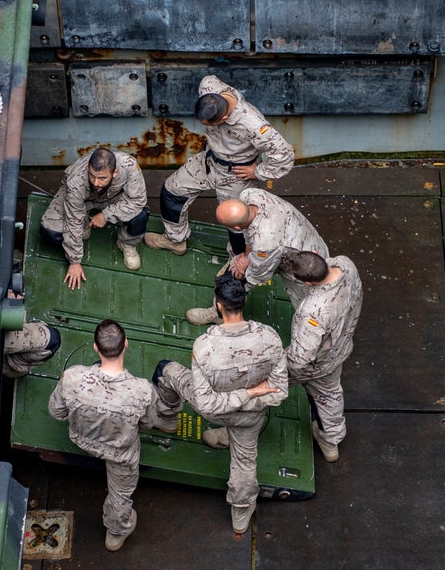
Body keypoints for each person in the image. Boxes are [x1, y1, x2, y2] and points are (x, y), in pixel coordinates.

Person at [152, 275, 287, 534]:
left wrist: (242, 395)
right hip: (251, 417)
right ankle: (240, 512)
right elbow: (278, 393)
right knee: (245, 464)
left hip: (217, 411)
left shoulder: (205, 347)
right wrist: (251, 394)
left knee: (165, 370)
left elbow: (207, 403)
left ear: (218, 305)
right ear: (244, 300)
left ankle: (167, 417)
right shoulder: (270, 338)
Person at [144, 75, 293, 257]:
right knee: (172, 190)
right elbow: (208, 78)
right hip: (209, 161)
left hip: (237, 174)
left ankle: (238, 260)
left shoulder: (252, 124)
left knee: (236, 222)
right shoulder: (209, 86)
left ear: (224, 117)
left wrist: (257, 172)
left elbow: (284, 155)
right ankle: (175, 240)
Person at [48, 319, 160, 551]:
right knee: (120, 495)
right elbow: (148, 424)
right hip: (121, 452)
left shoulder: (72, 378)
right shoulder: (142, 390)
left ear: (96, 348)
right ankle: (115, 534)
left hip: (82, 440)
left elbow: (56, 412)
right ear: (126, 344)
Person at [186, 188, 329, 325]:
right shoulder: (250, 195)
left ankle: (313, 339)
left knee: (307, 308)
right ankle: (220, 314)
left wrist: (243, 269)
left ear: (236, 228)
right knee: (231, 277)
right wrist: (247, 255)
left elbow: (258, 275)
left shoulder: (265, 242)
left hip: (305, 265)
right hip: (294, 241)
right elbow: (249, 232)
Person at [280, 250, 363, 462]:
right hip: (339, 351)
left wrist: (274, 364)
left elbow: (299, 359)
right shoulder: (347, 264)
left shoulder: (313, 312)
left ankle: (233, 431)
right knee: (329, 396)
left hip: (314, 363)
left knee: (259, 384)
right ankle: (330, 443)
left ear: (307, 284)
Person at [39, 148, 149, 289]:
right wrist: (74, 261)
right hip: (81, 201)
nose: (96, 183)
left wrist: (105, 215)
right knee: (50, 232)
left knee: (140, 214)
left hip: (112, 198)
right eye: (92, 176)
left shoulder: (129, 165)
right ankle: (86, 221)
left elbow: (137, 200)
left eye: (102, 178)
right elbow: (73, 219)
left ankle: (127, 243)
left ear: (114, 173)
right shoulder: (76, 180)